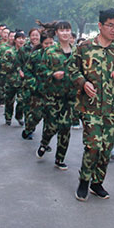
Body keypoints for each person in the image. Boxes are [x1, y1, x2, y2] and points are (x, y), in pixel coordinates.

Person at [68, 8, 114, 201]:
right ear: (100, 26)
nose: (113, 30)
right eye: (110, 25)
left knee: (106, 148)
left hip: (112, 108)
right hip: (90, 106)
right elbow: (72, 69)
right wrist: (83, 82)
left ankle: (98, 182)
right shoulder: (84, 47)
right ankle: (84, 181)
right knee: (93, 146)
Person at [36, 21, 76, 170]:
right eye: (62, 30)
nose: (65, 33)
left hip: (70, 97)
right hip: (53, 96)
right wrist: (52, 74)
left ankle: (60, 158)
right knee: (52, 126)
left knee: (65, 127)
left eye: (67, 30)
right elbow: (40, 71)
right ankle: (44, 142)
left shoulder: (76, 51)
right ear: (57, 33)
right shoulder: (50, 51)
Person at [21, 32, 54, 141]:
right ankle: (28, 129)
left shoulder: (57, 55)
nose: (49, 46)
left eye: (51, 43)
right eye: (46, 43)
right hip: (37, 92)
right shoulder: (36, 55)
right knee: (36, 115)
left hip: (52, 92)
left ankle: (45, 141)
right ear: (42, 43)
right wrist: (34, 85)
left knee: (50, 119)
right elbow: (27, 71)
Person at [1, 31, 26, 126]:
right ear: (15, 40)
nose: (21, 40)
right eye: (19, 38)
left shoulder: (26, 52)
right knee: (9, 100)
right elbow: (4, 65)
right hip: (11, 80)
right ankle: (8, 117)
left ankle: (19, 116)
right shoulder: (9, 52)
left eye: (23, 38)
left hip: (23, 81)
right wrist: (16, 67)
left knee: (21, 100)